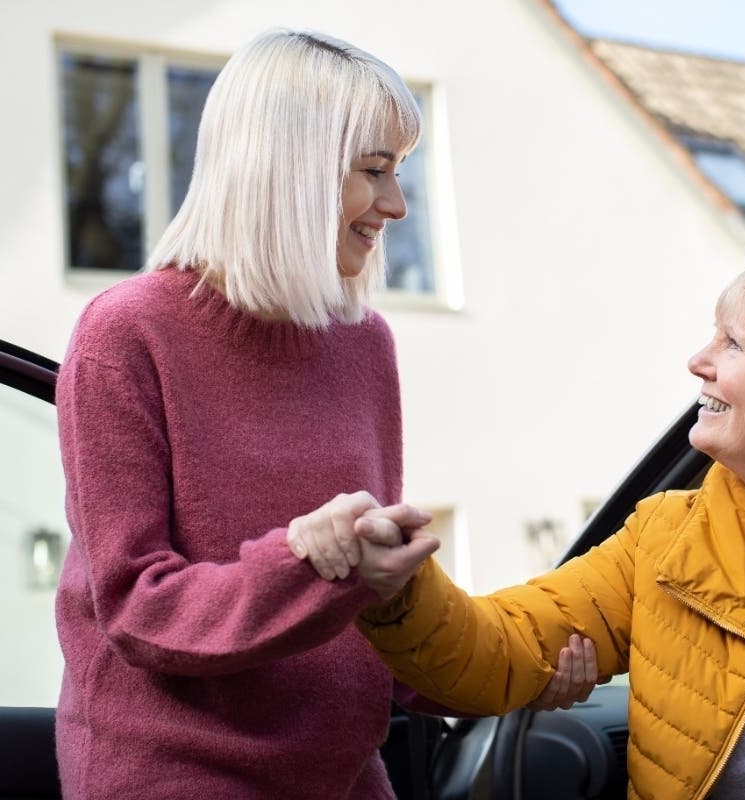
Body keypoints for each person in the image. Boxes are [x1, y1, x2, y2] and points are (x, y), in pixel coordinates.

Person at [54, 28, 583, 800]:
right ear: (289, 166)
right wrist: (310, 563)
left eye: (399, 173)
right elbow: (138, 609)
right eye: (374, 170)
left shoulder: (365, 344)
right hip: (176, 774)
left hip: (349, 774)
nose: (397, 205)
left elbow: (377, 604)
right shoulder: (126, 332)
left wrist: (511, 673)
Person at [293, 242, 745, 799]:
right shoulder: (665, 536)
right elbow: (496, 647)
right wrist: (395, 585)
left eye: (733, 343)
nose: (698, 361)